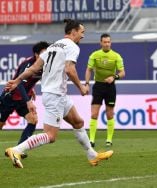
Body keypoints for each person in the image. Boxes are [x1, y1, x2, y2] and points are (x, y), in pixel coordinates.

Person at [5, 19, 113, 168]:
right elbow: (70, 69)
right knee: (50, 136)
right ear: (73, 31)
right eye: (82, 32)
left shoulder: (52, 46)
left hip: (58, 94)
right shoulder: (72, 47)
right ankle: (16, 150)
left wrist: (17, 80)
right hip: (54, 95)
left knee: (78, 122)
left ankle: (92, 155)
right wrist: (81, 87)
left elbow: (33, 69)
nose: (82, 36)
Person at [0, 41, 49, 154]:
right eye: (44, 52)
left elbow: (30, 81)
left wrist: (31, 90)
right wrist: (28, 101)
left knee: (33, 120)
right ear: (37, 54)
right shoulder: (28, 64)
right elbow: (20, 83)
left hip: (22, 98)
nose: (47, 54)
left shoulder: (44, 65)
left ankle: (17, 150)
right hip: (9, 97)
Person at [85, 33, 125, 147]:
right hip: (98, 86)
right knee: (94, 114)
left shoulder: (116, 56)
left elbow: (122, 73)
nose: (107, 44)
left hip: (110, 87)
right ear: (101, 43)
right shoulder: (95, 55)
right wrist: (87, 83)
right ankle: (91, 140)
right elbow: (89, 70)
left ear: (110, 43)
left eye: (109, 42)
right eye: (105, 42)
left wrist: (114, 77)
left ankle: (109, 140)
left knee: (110, 114)